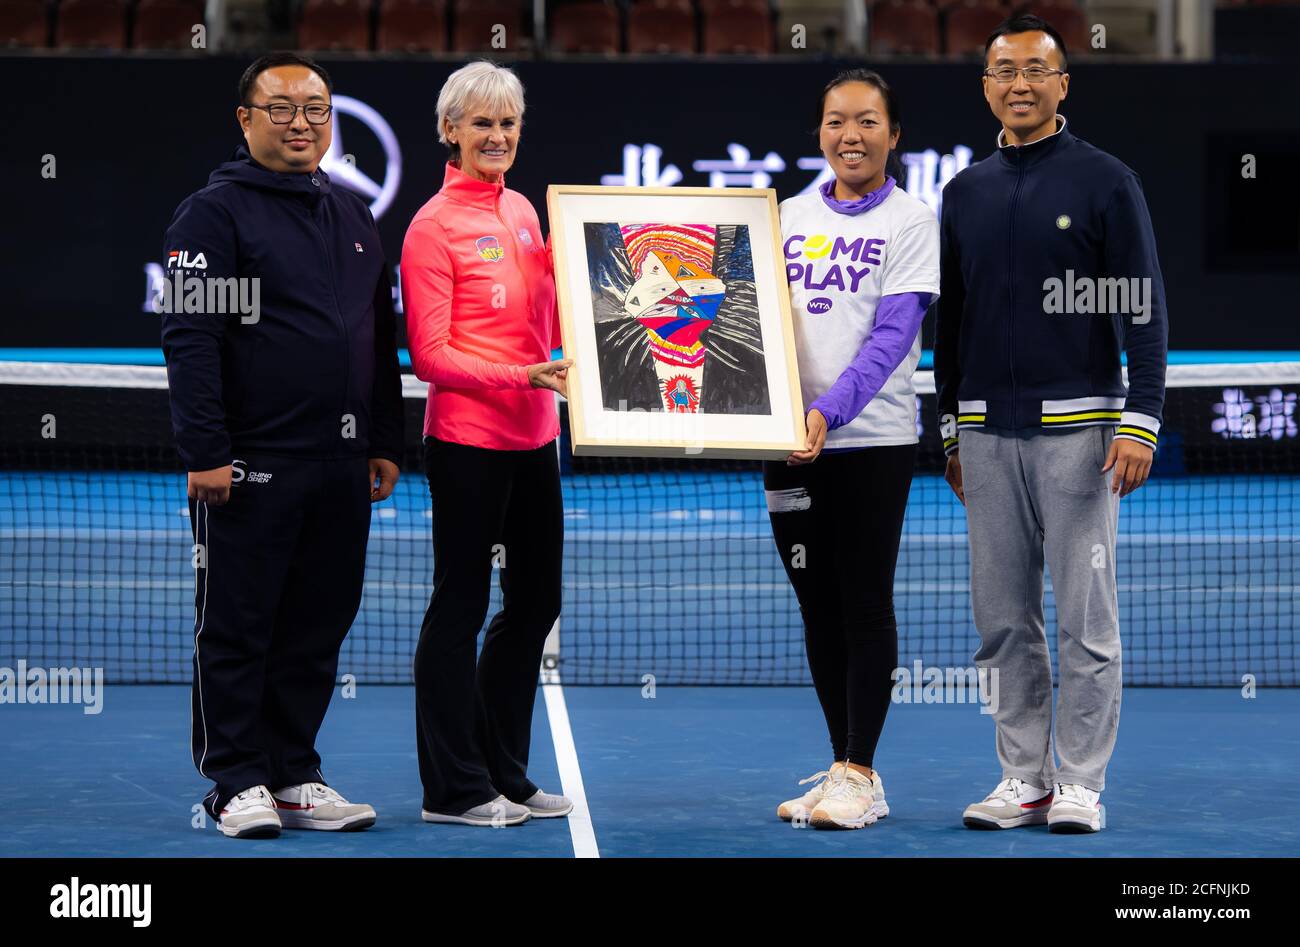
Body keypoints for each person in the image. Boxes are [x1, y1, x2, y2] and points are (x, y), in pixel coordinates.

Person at [161, 53, 405, 839]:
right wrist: (207, 449)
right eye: (282, 108)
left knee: (317, 622)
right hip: (250, 464)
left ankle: (294, 770)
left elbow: (376, 338)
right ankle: (235, 780)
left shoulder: (353, 216)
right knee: (236, 624)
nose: (302, 122)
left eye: (316, 108)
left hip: (340, 465)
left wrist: (382, 439)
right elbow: (192, 338)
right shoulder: (216, 215)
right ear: (246, 119)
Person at [935, 14, 1169, 833]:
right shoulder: (964, 191)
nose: (1020, 84)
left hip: (1082, 439)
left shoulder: (1107, 181)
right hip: (986, 438)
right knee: (1001, 623)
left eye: (1037, 69)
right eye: (1005, 70)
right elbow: (952, 319)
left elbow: (1141, 305)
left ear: (1063, 84)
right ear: (988, 86)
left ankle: (1080, 782)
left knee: (1086, 621)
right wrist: (951, 429)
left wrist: (1141, 418)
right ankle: (1022, 778)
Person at [401, 60, 573, 827]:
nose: (496, 136)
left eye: (507, 123)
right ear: (450, 131)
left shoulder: (529, 212)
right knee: (460, 605)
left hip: (537, 437)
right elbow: (432, 356)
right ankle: (453, 788)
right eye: (481, 124)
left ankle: (504, 767)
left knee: (536, 602)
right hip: (468, 441)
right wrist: (524, 375)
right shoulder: (432, 226)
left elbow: (550, 319)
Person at [769, 69, 940, 829]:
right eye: (837, 121)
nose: (851, 135)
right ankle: (842, 762)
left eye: (868, 122)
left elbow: (891, 339)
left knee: (865, 600)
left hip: (870, 443)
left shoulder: (911, 222)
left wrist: (824, 412)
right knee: (816, 603)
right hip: (785, 445)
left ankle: (861, 770)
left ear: (893, 135)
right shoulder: (782, 216)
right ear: (819, 132)